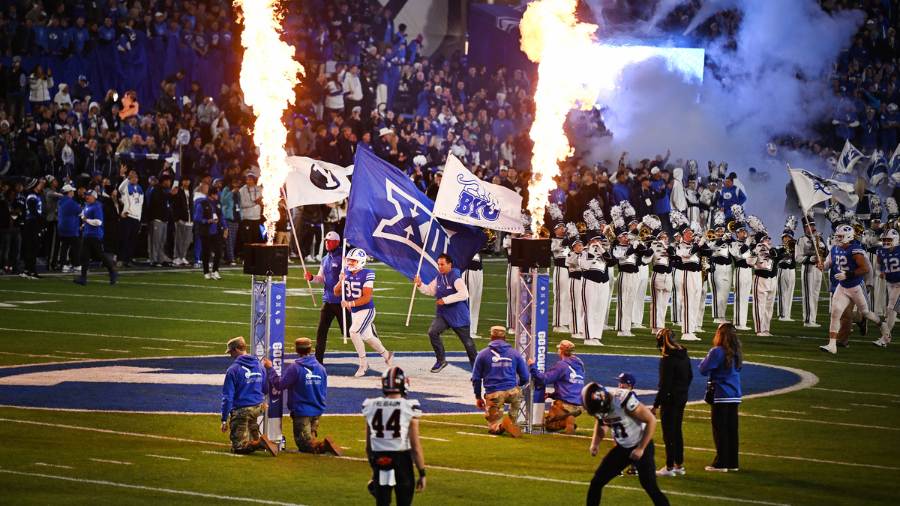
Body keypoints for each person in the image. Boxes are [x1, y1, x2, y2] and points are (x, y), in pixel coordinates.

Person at [583, 382, 670, 506]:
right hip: (622, 448)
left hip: (641, 445)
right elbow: (601, 422)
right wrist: (595, 443)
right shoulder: (598, 405)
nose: (600, 412)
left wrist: (641, 448)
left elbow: (651, 420)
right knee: (597, 482)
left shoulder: (622, 399)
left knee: (650, 486)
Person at [263, 338, 341, 455]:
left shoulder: (295, 368)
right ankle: (321, 444)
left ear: (296, 350)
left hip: (302, 411)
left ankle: (324, 446)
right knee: (311, 439)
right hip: (317, 410)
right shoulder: (321, 368)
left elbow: (279, 385)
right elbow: (324, 390)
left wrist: (270, 369)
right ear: (310, 349)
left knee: (304, 445)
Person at [363, 367, 426, 506]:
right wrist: (422, 472)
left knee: (382, 502)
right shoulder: (409, 406)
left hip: (379, 458)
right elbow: (415, 446)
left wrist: (374, 469)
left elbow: (368, 446)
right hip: (401, 459)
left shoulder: (371, 405)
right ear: (403, 383)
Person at [818, 224, 882, 354]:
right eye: (837, 236)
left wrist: (866, 281)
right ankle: (833, 343)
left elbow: (866, 268)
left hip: (853, 285)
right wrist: (821, 265)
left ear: (848, 236)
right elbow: (828, 264)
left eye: (840, 236)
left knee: (847, 315)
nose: (837, 238)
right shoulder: (835, 248)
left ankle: (843, 339)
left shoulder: (856, 250)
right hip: (838, 284)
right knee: (836, 313)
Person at [335, 247, 394, 376]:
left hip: (366, 310)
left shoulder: (367, 274)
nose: (350, 263)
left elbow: (367, 297)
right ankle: (387, 355)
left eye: (353, 260)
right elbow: (336, 292)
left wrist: (350, 303)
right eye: (349, 260)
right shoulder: (346, 272)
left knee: (353, 332)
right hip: (355, 312)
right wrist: (340, 281)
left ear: (361, 261)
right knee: (368, 337)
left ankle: (363, 364)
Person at [415, 253, 478, 372]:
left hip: (458, 315)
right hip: (443, 314)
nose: (440, 267)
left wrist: (445, 300)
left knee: (467, 342)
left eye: (442, 264)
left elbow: (464, 294)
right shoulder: (438, 277)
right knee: (432, 332)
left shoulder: (456, 278)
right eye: (438, 264)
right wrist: (420, 284)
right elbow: (430, 291)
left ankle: (476, 367)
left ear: (450, 264)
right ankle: (441, 360)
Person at [220, 336, 278, 456]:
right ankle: (255, 437)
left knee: (239, 447)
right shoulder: (260, 366)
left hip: (242, 410)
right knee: (251, 422)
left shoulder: (233, 370)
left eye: (231, 352)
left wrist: (224, 419)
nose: (230, 355)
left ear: (236, 349)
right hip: (258, 408)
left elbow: (228, 397)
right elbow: (265, 389)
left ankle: (260, 442)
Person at [698, 323, 742, 472]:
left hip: (721, 394)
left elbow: (703, 369)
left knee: (720, 430)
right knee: (732, 430)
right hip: (735, 394)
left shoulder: (717, 351)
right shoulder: (737, 351)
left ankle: (721, 463)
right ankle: (733, 463)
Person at [471, 326, 529, 437]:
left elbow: (476, 378)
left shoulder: (483, 354)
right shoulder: (515, 353)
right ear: (505, 337)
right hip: (513, 392)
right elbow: (525, 377)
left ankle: (501, 426)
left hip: (494, 394)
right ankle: (512, 421)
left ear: (491, 337)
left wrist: (478, 396)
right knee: (515, 401)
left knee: (494, 426)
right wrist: (518, 386)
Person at [651, 329, 693, 477]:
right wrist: (682, 391)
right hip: (682, 397)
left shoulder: (667, 359)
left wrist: (656, 405)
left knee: (669, 433)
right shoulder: (684, 355)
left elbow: (664, 385)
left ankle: (669, 467)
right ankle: (678, 464)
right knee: (677, 431)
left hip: (670, 400)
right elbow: (690, 376)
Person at [305, 231, 350, 364]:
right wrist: (311, 277)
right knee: (321, 332)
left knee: (350, 333)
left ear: (337, 242)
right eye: (326, 241)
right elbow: (321, 278)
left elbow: (352, 275)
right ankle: (318, 362)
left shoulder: (344, 257)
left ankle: (369, 343)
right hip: (328, 302)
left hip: (341, 302)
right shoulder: (325, 259)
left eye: (330, 241)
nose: (327, 243)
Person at [527, 339, 584, 434]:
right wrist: (551, 395)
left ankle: (567, 420)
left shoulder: (562, 365)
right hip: (579, 406)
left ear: (561, 351)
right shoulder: (580, 364)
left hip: (566, 404)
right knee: (559, 417)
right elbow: (570, 386)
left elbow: (544, 379)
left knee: (549, 425)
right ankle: (568, 419)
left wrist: (532, 366)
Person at [73, 190, 118, 286]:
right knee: (84, 256)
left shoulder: (97, 207)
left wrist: (86, 220)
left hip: (95, 235)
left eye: (89, 195)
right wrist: (83, 225)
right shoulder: (87, 205)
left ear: (94, 197)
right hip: (87, 234)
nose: (87, 197)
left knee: (100, 255)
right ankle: (83, 278)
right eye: (86, 195)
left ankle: (112, 271)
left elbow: (98, 222)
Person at [795, 216, 825, 327]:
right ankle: (808, 320)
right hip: (808, 268)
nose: (812, 227)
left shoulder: (819, 238)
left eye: (813, 225)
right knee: (808, 295)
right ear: (805, 228)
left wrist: (822, 247)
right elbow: (797, 258)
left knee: (815, 294)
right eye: (809, 226)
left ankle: (813, 319)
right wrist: (811, 258)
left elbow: (825, 253)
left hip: (818, 269)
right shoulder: (801, 240)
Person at [749, 233, 780, 336]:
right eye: (766, 239)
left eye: (768, 238)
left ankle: (766, 329)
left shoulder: (772, 249)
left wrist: (768, 247)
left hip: (772, 279)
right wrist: (755, 251)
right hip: (761, 279)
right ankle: (759, 330)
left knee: (769, 307)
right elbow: (749, 262)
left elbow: (776, 255)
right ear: (760, 241)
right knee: (759, 306)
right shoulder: (755, 250)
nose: (768, 240)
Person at [193, 186, 226, 280]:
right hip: (206, 231)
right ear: (212, 194)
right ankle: (206, 272)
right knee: (206, 252)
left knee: (219, 251)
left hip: (216, 231)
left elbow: (221, 216)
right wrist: (207, 221)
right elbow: (197, 218)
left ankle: (215, 271)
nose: (218, 196)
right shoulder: (202, 204)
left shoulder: (217, 204)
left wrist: (225, 228)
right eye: (216, 194)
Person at [874, 228, 899, 346]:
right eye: (884, 240)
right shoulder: (881, 251)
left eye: (889, 239)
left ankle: (885, 339)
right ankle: (886, 338)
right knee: (891, 311)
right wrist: (880, 273)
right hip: (890, 283)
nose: (886, 242)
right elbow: (878, 267)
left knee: (891, 309)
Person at [118, 169, 143, 267]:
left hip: (136, 218)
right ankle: (121, 259)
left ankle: (128, 260)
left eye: (135, 177)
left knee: (133, 241)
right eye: (132, 177)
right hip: (127, 216)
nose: (134, 178)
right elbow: (120, 189)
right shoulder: (126, 187)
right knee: (124, 239)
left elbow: (140, 205)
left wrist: (139, 219)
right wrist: (127, 179)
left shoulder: (140, 189)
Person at [21, 177, 45, 279]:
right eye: (39, 183)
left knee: (32, 247)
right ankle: (32, 271)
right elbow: (33, 212)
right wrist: (42, 221)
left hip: (32, 223)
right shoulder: (32, 196)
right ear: (35, 185)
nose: (41, 185)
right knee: (33, 247)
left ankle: (27, 270)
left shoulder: (35, 195)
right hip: (32, 223)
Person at [147, 174, 173, 267]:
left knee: (162, 241)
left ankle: (160, 259)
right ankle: (153, 260)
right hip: (157, 219)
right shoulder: (156, 189)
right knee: (155, 241)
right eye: (168, 181)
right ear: (164, 181)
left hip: (164, 219)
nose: (170, 183)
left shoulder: (165, 190)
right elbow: (158, 202)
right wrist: (169, 195)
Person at [550, 220, 572, 332]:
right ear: (555, 230)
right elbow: (556, 248)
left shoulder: (568, 241)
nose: (563, 229)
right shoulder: (554, 240)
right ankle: (557, 324)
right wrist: (567, 239)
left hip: (569, 270)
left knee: (567, 296)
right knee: (559, 296)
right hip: (560, 269)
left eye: (564, 227)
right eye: (560, 227)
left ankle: (565, 322)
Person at [56, 183, 81, 273]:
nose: (73, 192)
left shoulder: (60, 201)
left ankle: (63, 265)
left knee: (64, 247)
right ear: (69, 192)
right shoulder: (70, 202)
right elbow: (80, 211)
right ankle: (76, 265)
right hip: (71, 227)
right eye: (72, 191)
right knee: (76, 246)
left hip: (62, 227)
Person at [238, 171, 263, 256]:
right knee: (248, 240)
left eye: (251, 179)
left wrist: (261, 202)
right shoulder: (242, 190)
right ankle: (247, 257)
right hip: (247, 218)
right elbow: (242, 204)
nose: (249, 181)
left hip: (257, 218)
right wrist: (255, 203)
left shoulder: (258, 189)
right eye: (247, 179)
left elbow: (262, 200)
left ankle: (256, 257)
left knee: (256, 239)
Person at [776, 228, 797, 321]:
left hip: (792, 271)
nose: (786, 239)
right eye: (785, 237)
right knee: (782, 293)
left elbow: (797, 258)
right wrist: (785, 250)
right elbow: (777, 256)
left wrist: (793, 248)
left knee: (790, 293)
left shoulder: (795, 247)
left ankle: (787, 315)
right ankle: (782, 315)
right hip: (782, 271)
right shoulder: (779, 247)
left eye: (788, 237)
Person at [463, 251, 484, 340]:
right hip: (469, 269)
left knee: (476, 301)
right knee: (469, 301)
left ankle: (473, 330)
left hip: (479, 268)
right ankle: (466, 330)